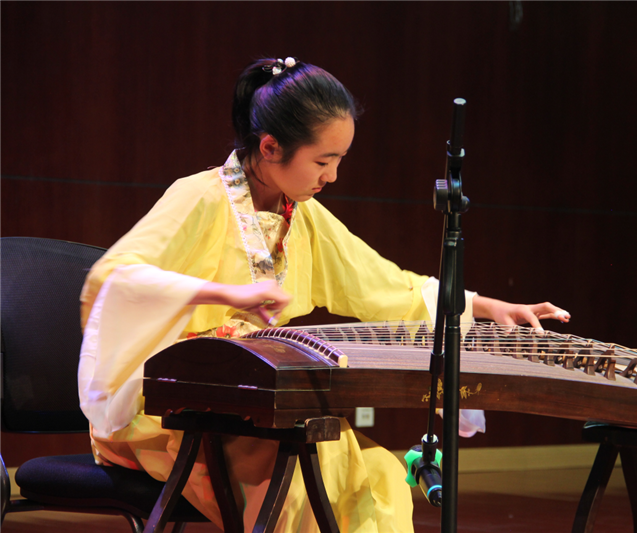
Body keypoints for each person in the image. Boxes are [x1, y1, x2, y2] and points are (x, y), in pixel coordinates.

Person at [78, 57, 570, 532]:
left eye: (339, 160)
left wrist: (484, 305)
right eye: (323, 160)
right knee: (295, 486)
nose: (332, 176)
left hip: (258, 405)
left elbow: (381, 283)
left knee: (378, 477)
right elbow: (115, 278)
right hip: (173, 410)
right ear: (270, 147)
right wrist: (224, 292)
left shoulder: (303, 216)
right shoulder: (200, 197)